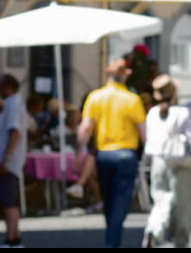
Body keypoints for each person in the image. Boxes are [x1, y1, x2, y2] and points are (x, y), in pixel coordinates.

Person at [74, 59, 147, 248]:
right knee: (121, 202)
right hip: (126, 155)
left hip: (104, 155)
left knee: (109, 199)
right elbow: (143, 133)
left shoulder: (95, 97)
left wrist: (78, 154)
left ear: (108, 74)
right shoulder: (132, 99)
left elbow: (85, 129)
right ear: (125, 76)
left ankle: (111, 238)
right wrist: (150, 156)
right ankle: (112, 242)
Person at [142, 74, 191, 248]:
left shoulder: (152, 113)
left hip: (158, 161)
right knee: (182, 205)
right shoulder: (182, 112)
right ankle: (180, 241)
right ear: (174, 94)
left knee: (160, 200)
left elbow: (149, 141)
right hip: (181, 162)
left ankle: (154, 228)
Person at [0, 74, 28, 248]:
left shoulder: (13, 105)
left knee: (6, 201)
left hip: (8, 162)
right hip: (7, 161)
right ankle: (15, 236)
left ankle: (11, 238)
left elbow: (15, 132)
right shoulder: (11, 104)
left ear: (7, 87)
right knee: (5, 201)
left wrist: (6, 158)